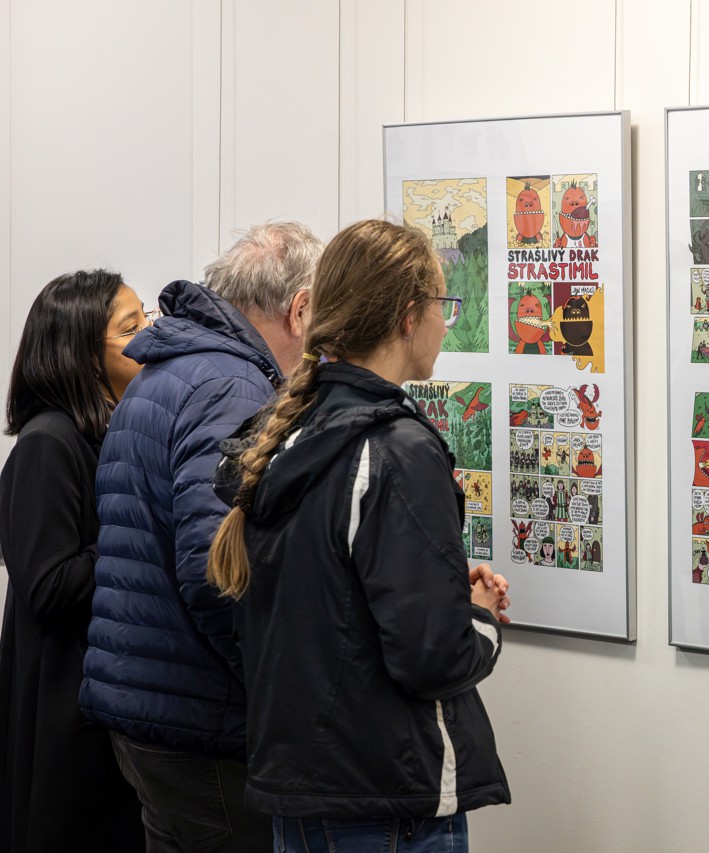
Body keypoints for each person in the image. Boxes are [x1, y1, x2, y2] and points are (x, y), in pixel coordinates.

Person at [206, 219, 512, 851]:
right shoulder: (397, 449)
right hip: (384, 802)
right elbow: (433, 658)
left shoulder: (292, 432)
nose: (445, 325)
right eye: (444, 306)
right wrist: (478, 615)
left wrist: (438, 587)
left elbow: (334, 601)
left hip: (308, 792)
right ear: (408, 317)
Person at [79, 222, 322, 851]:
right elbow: (217, 572)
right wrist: (276, 687)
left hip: (152, 706)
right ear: (299, 310)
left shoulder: (169, 371)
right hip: (202, 718)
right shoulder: (232, 387)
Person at [0, 270, 147, 850]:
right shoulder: (48, 442)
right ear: (84, 356)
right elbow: (49, 586)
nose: (150, 336)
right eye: (131, 328)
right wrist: (138, 529)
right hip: (63, 721)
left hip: (96, 705)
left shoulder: (99, 435)